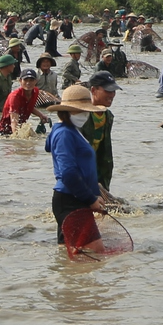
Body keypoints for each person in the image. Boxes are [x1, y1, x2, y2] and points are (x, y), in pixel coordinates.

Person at [46, 85, 108, 255]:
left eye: (86, 111)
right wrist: (90, 199)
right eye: (80, 111)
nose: (85, 115)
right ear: (67, 112)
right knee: (95, 253)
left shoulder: (71, 130)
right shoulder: (64, 133)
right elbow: (68, 173)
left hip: (75, 198)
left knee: (72, 255)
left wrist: (95, 193)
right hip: (70, 200)